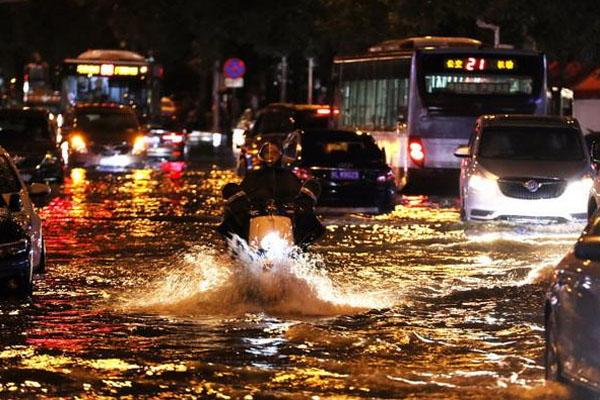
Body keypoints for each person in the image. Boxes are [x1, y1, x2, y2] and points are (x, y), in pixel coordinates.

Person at [217, 141, 325, 245]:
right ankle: (239, 251)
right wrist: (242, 207)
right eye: (266, 153)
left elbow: (301, 197)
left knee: (307, 226)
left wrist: (301, 206)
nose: (270, 156)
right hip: (256, 220)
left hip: (286, 221)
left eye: (274, 153)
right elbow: (240, 195)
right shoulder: (253, 176)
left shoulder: (289, 176)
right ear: (261, 155)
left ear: (280, 154)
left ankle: (300, 249)